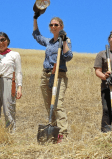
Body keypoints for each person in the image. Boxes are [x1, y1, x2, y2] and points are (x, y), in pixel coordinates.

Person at [33, 13, 73, 143]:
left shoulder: (66, 40)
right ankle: (54, 132)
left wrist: (64, 40)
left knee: (57, 105)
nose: (53, 26)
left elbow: (69, 56)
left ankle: (62, 134)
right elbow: (37, 36)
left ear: (61, 26)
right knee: (48, 105)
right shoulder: (49, 42)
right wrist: (35, 18)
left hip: (59, 75)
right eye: (51, 25)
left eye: (56, 25)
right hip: (46, 75)